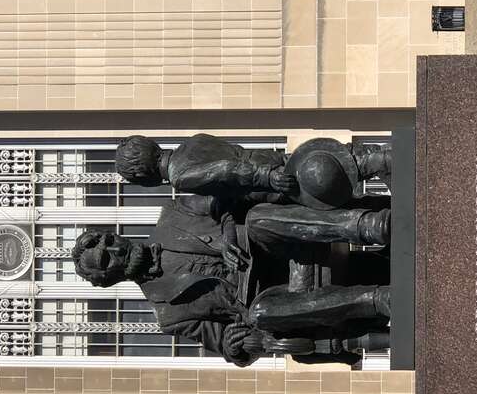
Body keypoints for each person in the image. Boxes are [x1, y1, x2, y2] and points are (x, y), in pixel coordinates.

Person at [71, 195, 391, 367]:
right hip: (280, 297)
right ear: (108, 279)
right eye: (106, 259)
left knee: (256, 220)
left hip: (277, 241)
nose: (115, 249)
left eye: (109, 240)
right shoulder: (170, 315)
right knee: (261, 315)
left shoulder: (173, 213)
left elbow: (227, 199)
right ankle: (378, 300)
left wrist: (227, 233)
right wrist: (236, 343)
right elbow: (226, 344)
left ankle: (368, 225)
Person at [116, 134, 391, 210]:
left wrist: (266, 178)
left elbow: (225, 170)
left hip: (274, 183)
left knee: (332, 178)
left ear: (143, 176)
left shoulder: (179, 176)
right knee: (343, 161)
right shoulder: (191, 141)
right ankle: (388, 158)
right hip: (270, 160)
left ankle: (388, 163)